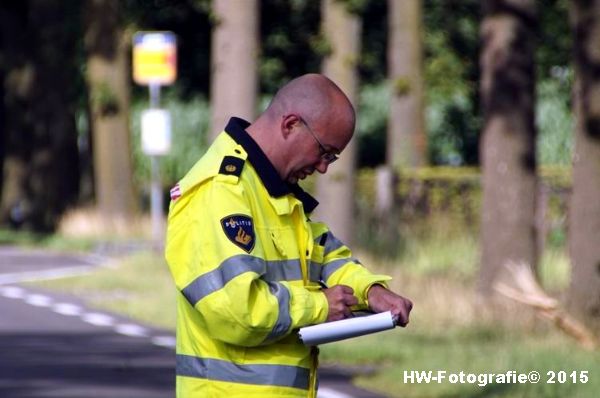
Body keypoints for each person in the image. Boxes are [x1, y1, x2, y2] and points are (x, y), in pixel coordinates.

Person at [165, 73, 413, 397]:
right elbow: (238, 312)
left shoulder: (275, 190)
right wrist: (320, 305)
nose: (324, 168)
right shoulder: (221, 191)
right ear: (291, 124)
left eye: (332, 158)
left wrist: (371, 291)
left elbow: (323, 256)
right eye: (324, 152)